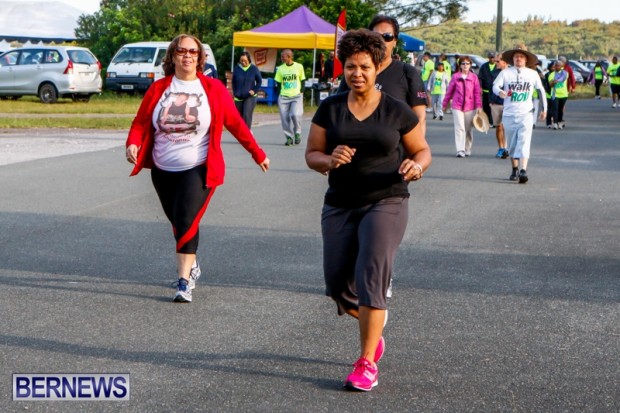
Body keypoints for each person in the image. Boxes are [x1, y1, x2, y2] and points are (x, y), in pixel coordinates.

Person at [305, 29, 431, 392]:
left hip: (387, 199)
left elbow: (422, 150)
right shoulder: (331, 108)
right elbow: (312, 154)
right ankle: (374, 324)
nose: (356, 73)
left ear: (377, 68)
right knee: (337, 285)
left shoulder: (396, 110)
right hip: (340, 202)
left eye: (364, 67)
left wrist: (417, 166)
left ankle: (366, 363)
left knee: (370, 275)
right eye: (350, 67)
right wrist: (329, 159)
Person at [125, 34, 270, 303]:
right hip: (162, 169)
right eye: (182, 51)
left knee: (186, 219)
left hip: (199, 167)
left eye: (193, 52)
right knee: (178, 221)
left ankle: (184, 282)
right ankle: (191, 262)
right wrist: (132, 143)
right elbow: (140, 122)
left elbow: (235, 123)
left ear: (200, 58)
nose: (188, 56)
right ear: (173, 56)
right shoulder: (159, 88)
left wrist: (257, 153)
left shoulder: (213, 89)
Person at [337, 15, 427, 138]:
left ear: (395, 41)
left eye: (387, 37)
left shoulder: (408, 73)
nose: (381, 41)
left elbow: (420, 118)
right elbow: (337, 112)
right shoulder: (354, 75)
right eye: (376, 36)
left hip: (395, 148)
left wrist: (416, 148)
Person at [493, 45, 547, 184]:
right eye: (516, 56)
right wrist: (500, 92)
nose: (519, 59)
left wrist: (544, 109)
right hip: (509, 114)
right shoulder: (506, 73)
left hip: (526, 114)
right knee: (512, 144)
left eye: (522, 56)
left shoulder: (532, 74)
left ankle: (523, 170)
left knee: (524, 141)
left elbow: (541, 90)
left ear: (526, 59)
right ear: (512, 59)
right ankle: (515, 168)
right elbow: (495, 86)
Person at [442, 55, 482, 157]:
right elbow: (449, 91)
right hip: (457, 106)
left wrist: (479, 106)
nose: (465, 65)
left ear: (470, 65)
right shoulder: (455, 77)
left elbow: (477, 93)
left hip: (470, 106)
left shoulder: (474, 77)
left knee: (468, 129)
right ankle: (460, 150)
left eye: (467, 63)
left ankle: (467, 148)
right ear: (460, 65)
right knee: (459, 128)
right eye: (463, 63)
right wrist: (444, 104)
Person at [274, 49, 306, 146]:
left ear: (289, 57)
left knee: (295, 115)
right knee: (284, 118)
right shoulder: (280, 69)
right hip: (284, 96)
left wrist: (301, 92)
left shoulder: (299, 67)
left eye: (283, 56)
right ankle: (288, 137)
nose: (281, 58)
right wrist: (280, 94)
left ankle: (297, 133)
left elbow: (302, 80)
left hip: (296, 96)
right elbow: (278, 82)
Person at [232, 51, 262, 129]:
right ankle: (241, 133)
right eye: (241, 60)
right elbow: (233, 82)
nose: (243, 62)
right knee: (239, 118)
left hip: (250, 96)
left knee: (246, 115)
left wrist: (254, 90)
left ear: (249, 60)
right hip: (238, 97)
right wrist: (235, 92)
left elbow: (259, 81)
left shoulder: (254, 69)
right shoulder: (237, 68)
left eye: (245, 60)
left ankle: (247, 133)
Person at [489, 55, 509, 158]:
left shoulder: (511, 73)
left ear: (505, 62)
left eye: (498, 61)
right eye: (495, 61)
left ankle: (507, 148)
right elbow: (490, 87)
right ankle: (501, 148)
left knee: (507, 127)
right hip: (496, 103)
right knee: (499, 126)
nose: (496, 63)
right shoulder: (494, 73)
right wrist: (490, 101)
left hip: (508, 104)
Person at [478, 51, 498, 128]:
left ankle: (494, 121)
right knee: (486, 107)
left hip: (494, 92)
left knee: (494, 107)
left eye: (493, 57)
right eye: (491, 57)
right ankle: (489, 122)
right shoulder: (484, 66)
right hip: (486, 91)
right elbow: (480, 78)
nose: (492, 59)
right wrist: (480, 87)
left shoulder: (498, 66)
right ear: (488, 58)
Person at [548, 60, 569, 130]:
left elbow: (563, 78)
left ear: (561, 66)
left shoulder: (565, 73)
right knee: (555, 109)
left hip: (563, 95)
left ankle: (560, 122)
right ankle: (555, 123)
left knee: (560, 110)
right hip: (555, 95)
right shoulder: (552, 74)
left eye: (558, 65)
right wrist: (553, 83)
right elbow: (550, 85)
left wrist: (557, 80)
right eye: (555, 65)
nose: (556, 67)